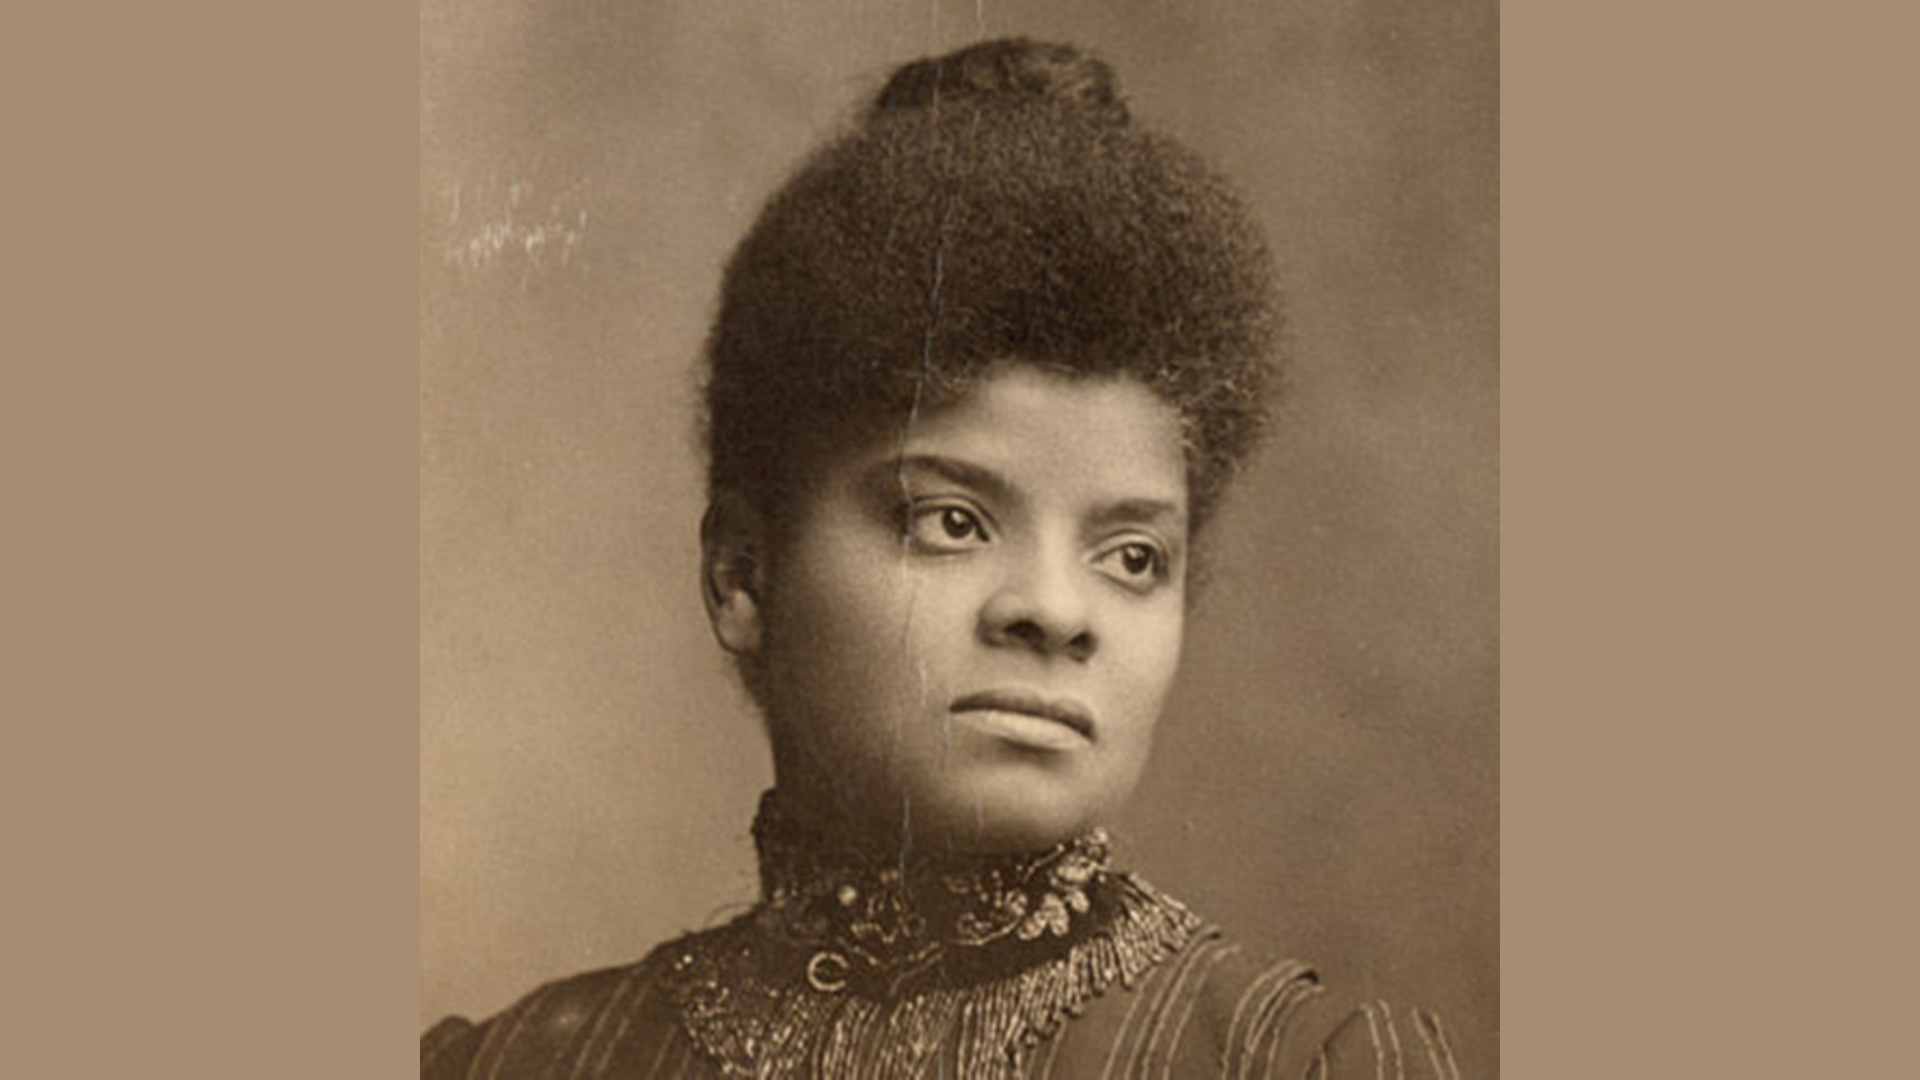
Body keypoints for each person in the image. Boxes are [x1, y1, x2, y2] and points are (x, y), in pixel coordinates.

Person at [422, 37, 1464, 1078]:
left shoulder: (1299, 1063)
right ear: (741, 577)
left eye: (1133, 556)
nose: (1057, 611)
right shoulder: (513, 1066)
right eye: (952, 521)